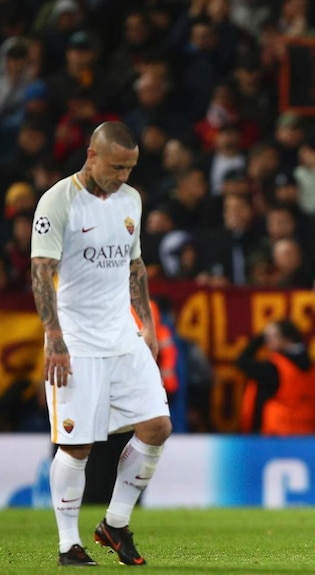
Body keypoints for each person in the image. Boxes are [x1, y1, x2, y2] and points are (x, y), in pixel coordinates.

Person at [30, 121, 171, 567]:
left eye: (130, 168)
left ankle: (114, 523)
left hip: (122, 335)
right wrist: (53, 337)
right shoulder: (58, 202)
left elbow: (135, 266)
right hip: (77, 339)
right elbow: (40, 272)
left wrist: (146, 325)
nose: (123, 176)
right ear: (91, 155)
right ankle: (68, 544)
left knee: (157, 427)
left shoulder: (131, 200)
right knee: (77, 447)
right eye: (116, 167)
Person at [237, 318, 315, 434]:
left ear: (286, 339)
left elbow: (242, 361)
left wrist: (260, 338)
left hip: (277, 435)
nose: (268, 341)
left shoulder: (275, 368)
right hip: (306, 432)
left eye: (272, 336)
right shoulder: (310, 364)